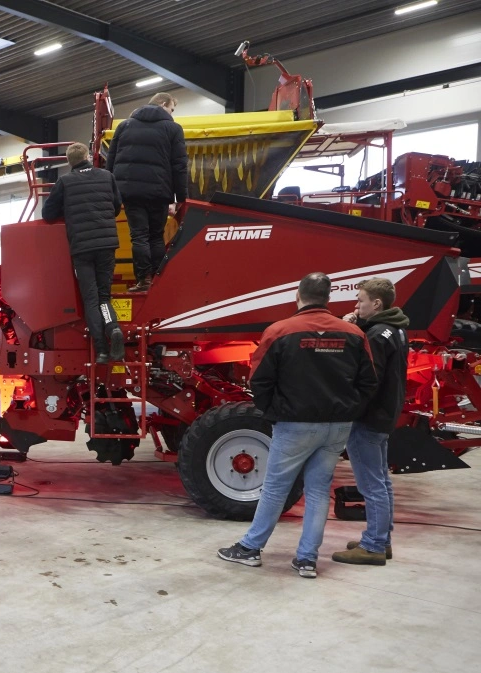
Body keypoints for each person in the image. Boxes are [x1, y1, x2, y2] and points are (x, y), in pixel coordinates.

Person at [218, 272, 378, 579]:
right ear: (328, 298)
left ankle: (250, 549)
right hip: (337, 425)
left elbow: (260, 379)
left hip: (294, 424)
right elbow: (368, 382)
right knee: (318, 491)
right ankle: (307, 560)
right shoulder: (354, 334)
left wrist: (274, 409)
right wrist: (348, 409)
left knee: (276, 488)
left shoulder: (280, 331)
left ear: (298, 296)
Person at [333, 278, 409, 566]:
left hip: (368, 418)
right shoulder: (396, 329)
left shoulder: (376, 335)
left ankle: (374, 545)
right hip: (385, 415)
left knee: (371, 484)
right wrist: (356, 324)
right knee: (381, 481)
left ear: (376, 304)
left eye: (360, 300)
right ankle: (382, 538)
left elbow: (368, 380)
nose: (356, 305)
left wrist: (347, 409)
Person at [42, 142, 125, 363]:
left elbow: (48, 213)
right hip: (107, 245)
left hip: (83, 248)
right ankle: (113, 328)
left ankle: (102, 350)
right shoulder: (107, 176)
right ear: (87, 156)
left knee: (90, 299)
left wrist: (67, 209)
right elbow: (116, 206)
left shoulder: (65, 182)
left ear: (69, 162)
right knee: (104, 297)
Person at [105, 92, 188, 292]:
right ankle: (159, 281)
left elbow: (111, 160)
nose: (172, 113)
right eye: (171, 108)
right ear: (162, 103)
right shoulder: (173, 129)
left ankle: (143, 281)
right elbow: (179, 165)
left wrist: (111, 191)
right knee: (156, 236)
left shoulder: (124, 126)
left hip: (130, 191)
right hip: (160, 191)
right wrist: (181, 198)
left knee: (139, 236)